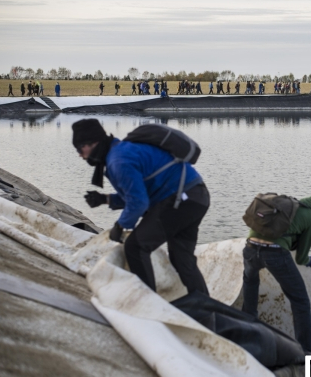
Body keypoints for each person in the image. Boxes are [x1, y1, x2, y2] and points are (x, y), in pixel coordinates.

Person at [71, 119, 211, 294]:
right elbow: (137, 195)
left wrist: (120, 225)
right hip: (195, 197)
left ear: (92, 143)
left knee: (135, 247)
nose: (79, 155)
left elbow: (139, 203)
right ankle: (206, 311)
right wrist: (105, 199)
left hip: (180, 200)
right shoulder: (121, 151)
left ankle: (148, 303)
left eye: (79, 149)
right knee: (182, 259)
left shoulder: (118, 161)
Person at [241, 195, 311, 353]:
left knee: (250, 285)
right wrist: (308, 260)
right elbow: (301, 257)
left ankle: (247, 335)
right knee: (300, 301)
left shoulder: (284, 210)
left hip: (250, 248)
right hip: (275, 254)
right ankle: (305, 351)